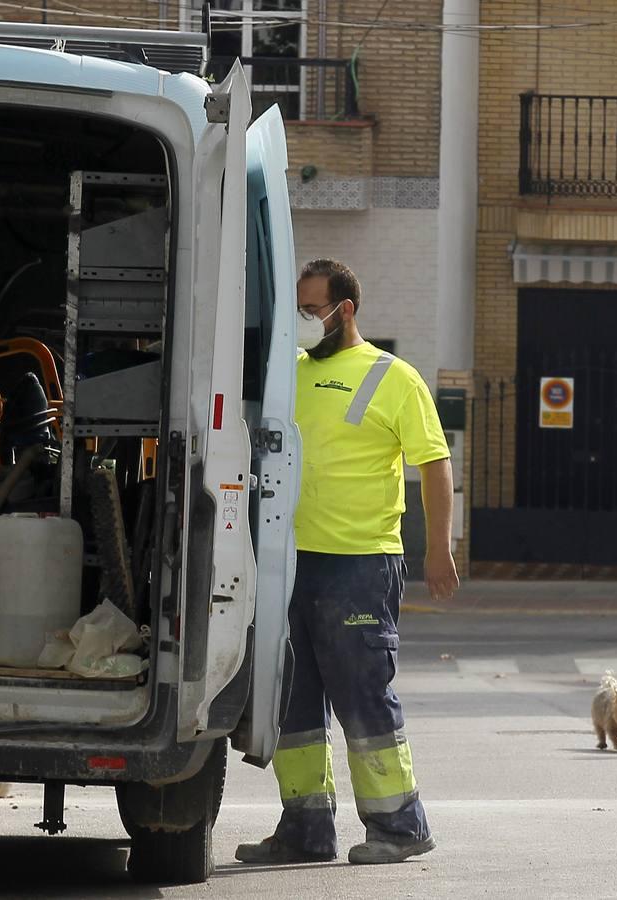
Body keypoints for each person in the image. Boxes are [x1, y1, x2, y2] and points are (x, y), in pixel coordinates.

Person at [235, 258, 458, 866]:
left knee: (362, 694)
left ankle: (399, 826)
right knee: (292, 699)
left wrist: (439, 547)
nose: (305, 321)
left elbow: (434, 467)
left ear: (345, 309)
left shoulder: (394, 377)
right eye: (301, 310)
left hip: (360, 563)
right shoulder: (291, 374)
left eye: (313, 309)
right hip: (289, 561)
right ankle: (306, 829)